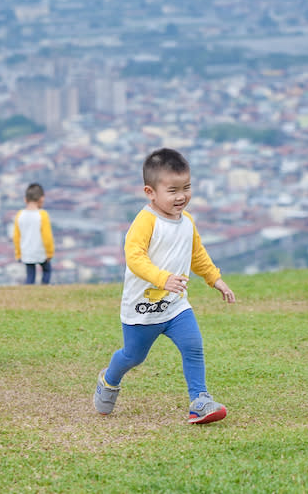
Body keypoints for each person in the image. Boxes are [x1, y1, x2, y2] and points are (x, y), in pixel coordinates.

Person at [93, 148, 236, 424]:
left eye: (187, 187)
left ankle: (200, 400)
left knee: (193, 345)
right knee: (133, 357)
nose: (182, 196)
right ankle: (109, 379)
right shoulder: (145, 221)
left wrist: (215, 279)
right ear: (150, 192)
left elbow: (197, 255)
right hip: (142, 310)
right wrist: (163, 279)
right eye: (172, 190)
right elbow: (134, 258)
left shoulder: (187, 222)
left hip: (176, 307)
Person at [13, 183, 54, 285]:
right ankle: (44, 288)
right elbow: (47, 236)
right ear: (41, 199)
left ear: (25, 199)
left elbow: (16, 236)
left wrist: (18, 253)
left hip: (26, 251)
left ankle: (29, 291)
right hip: (41, 251)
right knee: (47, 270)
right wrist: (49, 253)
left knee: (30, 275)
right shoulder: (42, 215)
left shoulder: (20, 215)